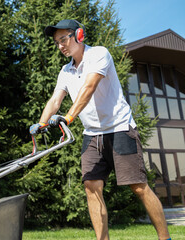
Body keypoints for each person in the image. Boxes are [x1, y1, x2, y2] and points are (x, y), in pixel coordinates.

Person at [29, 19, 171, 240]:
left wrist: (68, 117)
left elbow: (89, 87)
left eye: (63, 39)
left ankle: (165, 238)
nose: (60, 46)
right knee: (91, 186)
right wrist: (41, 124)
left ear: (79, 35)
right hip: (92, 135)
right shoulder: (65, 71)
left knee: (138, 186)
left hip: (120, 128)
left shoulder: (99, 54)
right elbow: (55, 100)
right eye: (57, 42)